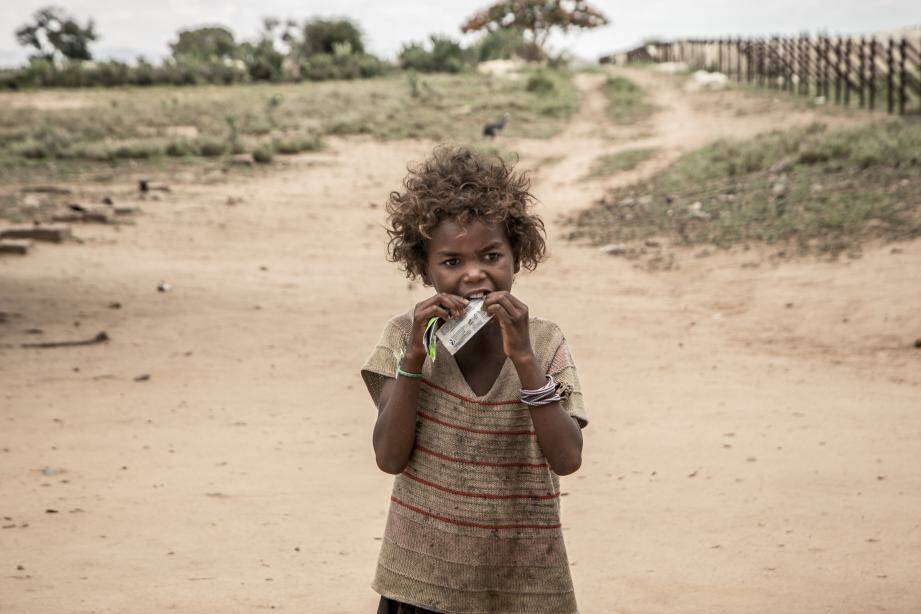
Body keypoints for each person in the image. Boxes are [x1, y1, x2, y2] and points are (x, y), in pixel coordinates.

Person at [360, 145, 589, 614]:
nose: (474, 275)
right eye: (451, 262)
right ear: (424, 268)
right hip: (421, 579)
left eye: (490, 255)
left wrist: (523, 358)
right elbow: (389, 456)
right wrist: (413, 360)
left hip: (523, 577)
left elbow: (566, 459)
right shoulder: (405, 336)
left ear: (516, 257)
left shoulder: (544, 343)